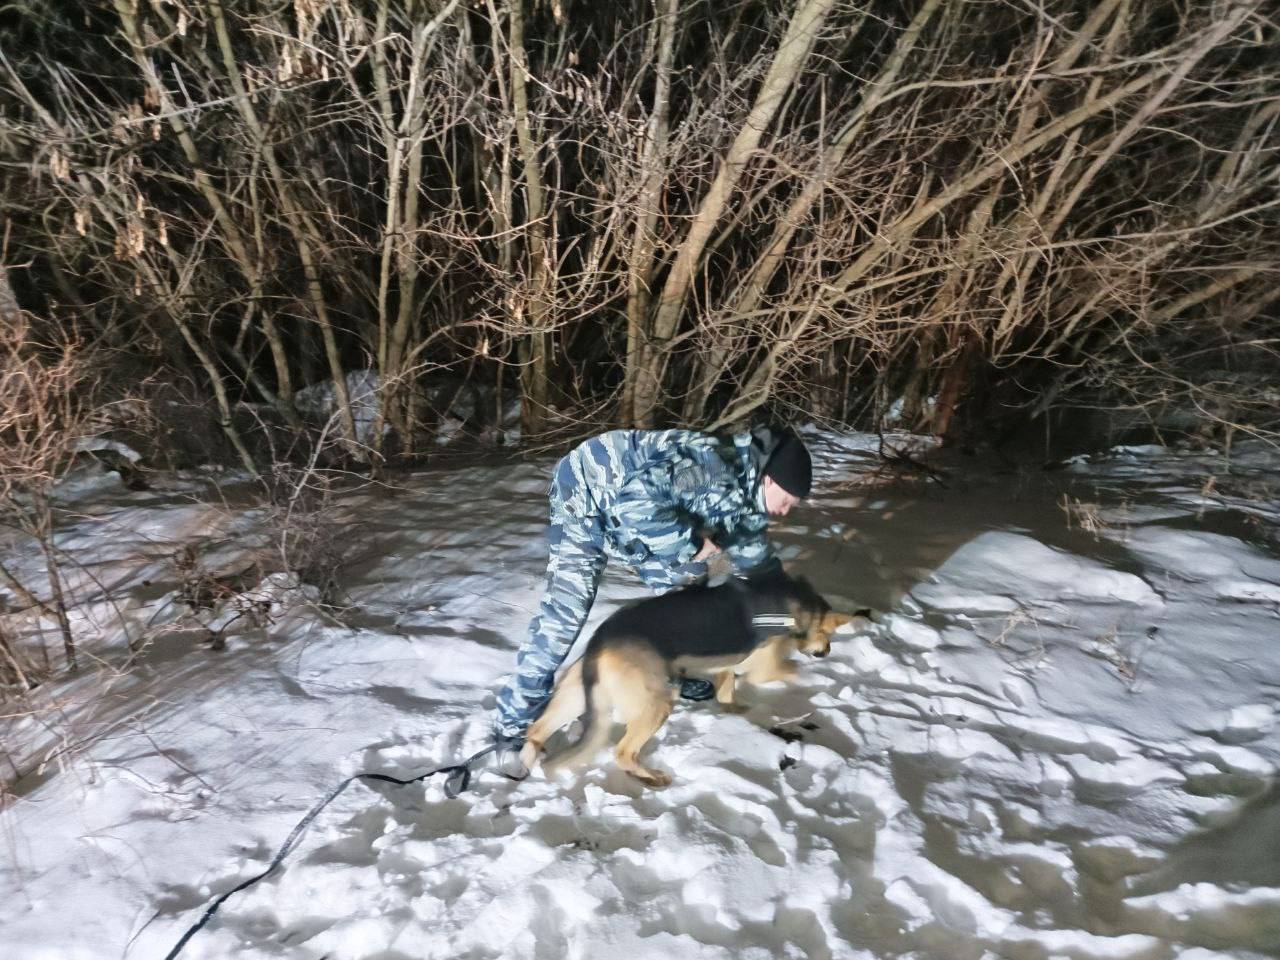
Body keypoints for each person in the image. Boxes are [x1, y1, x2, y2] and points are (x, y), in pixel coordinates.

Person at [490, 424, 813, 777]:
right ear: (768, 479)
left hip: (641, 517)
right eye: (785, 501)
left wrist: (792, 600)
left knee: (692, 586)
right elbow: (636, 505)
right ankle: (513, 726)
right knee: (565, 616)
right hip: (588, 494)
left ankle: (677, 664)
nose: (784, 512)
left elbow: (755, 556)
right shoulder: (709, 465)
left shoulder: (751, 499)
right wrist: (693, 545)